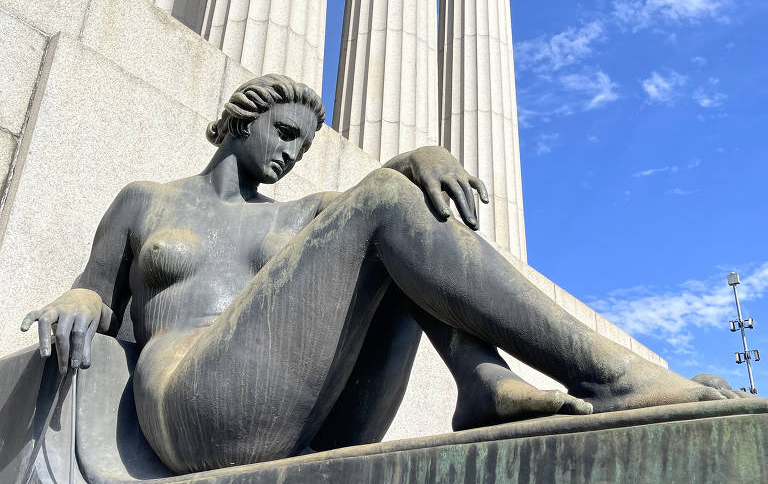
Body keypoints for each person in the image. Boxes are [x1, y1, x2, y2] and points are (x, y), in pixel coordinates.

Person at [19, 75, 749, 474]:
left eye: (303, 148)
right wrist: (77, 300)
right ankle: (606, 378)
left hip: (302, 415)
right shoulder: (149, 200)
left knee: (397, 224)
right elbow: (94, 286)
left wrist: (420, 155)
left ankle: (483, 380)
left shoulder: (297, 214)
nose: (291, 155)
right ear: (241, 120)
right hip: (187, 406)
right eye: (284, 134)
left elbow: (389, 213)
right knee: (384, 204)